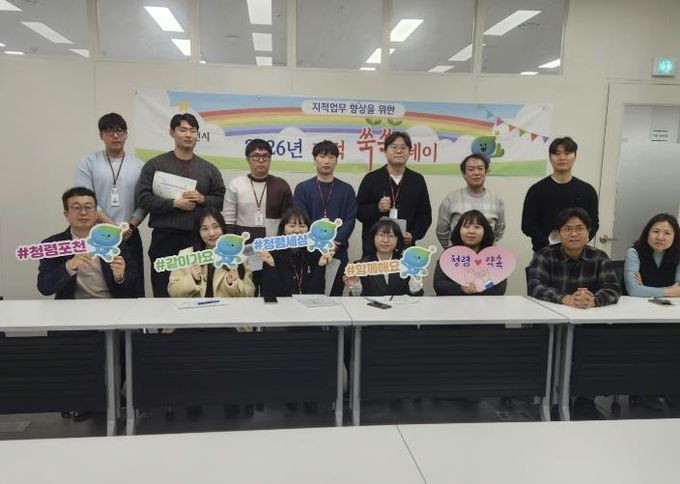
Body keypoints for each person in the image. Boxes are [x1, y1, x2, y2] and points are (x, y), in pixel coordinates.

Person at [137, 113, 226, 297]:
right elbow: (143, 199)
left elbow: (221, 200)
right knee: (162, 288)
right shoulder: (155, 165)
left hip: (198, 241)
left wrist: (203, 199)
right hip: (165, 239)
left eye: (192, 131)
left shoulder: (209, 168)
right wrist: (174, 203)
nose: (188, 135)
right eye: (183, 130)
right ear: (172, 132)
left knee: (198, 288)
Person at [75, 113, 147, 296]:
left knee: (133, 285)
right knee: (99, 285)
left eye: (120, 131)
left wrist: (131, 225)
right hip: (96, 234)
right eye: (109, 131)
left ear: (126, 134)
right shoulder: (89, 162)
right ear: (101, 135)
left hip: (130, 235)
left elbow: (145, 201)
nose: (115, 135)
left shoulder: (140, 166)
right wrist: (114, 228)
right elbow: (86, 198)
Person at [38, 186, 137, 300]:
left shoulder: (113, 240)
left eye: (88, 207)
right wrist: (69, 266)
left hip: (110, 303)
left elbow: (133, 280)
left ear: (96, 213)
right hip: (71, 306)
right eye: (76, 208)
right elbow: (44, 287)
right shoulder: (52, 244)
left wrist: (120, 276)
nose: (83, 212)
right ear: (66, 214)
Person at [223, 138, 293, 294]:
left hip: (273, 251)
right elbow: (228, 220)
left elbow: (287, 222)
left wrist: (281, 249)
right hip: (244, 251)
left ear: (270, 159)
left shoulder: (281, 186)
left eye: (265, 156)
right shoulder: (236, 184)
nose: (261, 160)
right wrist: (231, 250)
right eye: (256, 156)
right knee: (246, 293)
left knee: (272, 293)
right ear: (248, 159)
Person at [293, 140, 357, 296]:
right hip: (309, 251)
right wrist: (318, 242)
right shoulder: (303, 188)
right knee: (307, 295)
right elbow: (301, 220)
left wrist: (335, 243)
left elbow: (350, 220)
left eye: (331, 157)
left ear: (336, 161)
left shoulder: (347, 190)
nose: (326, 161)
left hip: (337, 251)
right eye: (322, 156)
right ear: (315, 159)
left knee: (334, 295)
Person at [356, 131, 432, 257]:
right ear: (385, 151)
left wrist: (413, 234)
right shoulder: (371, 178)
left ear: (410, 152)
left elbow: (425, 215)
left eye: (403, 148)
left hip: (405, 247)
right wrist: (377, 208)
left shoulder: (417, 180)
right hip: (374, 248)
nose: (399, 151)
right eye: (394, 147)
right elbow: (358, 211)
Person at [527, 207, 621, 308]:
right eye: (568, 229)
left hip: (589, 314)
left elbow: (613, 288)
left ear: (588, 233)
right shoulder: (545, 256)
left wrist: (592, 300)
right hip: (553, 313)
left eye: (580, 229)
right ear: (558, 234)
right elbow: (534, 286)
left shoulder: (600, 257)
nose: (574, 234)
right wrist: (566, 298)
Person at [522, 137, 599, 251]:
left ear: (575, 156)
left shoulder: (587, 190)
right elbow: (527, 225)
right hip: (544, 253)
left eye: (567, 153)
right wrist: (548, 242)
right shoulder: (537, 190)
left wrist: (578, 242)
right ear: (550, 157)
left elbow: (594, 224)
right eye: (557, 154)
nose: (562, 158)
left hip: (577, 253)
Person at [168, 207, 255, 298]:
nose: (211, 233)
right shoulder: (185, 255)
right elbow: (173, 292)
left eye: (216, 227)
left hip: (226, 307)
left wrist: (233, 284)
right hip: (195, 307)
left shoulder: (240, 258)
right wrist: (193, 279)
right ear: (198, 232)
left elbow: (250, 294)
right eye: (205, 229)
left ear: (222, 228)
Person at [260, 207, 333, 297]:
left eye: (302, 226)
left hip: (307, 303)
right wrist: (271, 266)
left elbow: (318, 292)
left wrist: (320, 266)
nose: (297, 230)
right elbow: (268, 293)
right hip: (283, 304)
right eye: (292, 226)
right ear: (283, 229)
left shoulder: (315, 253)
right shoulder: (272, 254)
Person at [436, 154, 505, 248]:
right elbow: (441, 231)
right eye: (471, 169)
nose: (476, 173)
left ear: (486, 172)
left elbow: (499, 231)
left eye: (480, 169)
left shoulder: (496, 200)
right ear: (464, 174)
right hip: (458, 254)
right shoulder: (451, 199)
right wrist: (451, 250)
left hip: (486, 254)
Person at [343, 218, 424, 297]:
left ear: (398, 239)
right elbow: (357, 299)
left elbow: (415, 296)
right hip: (370, 306)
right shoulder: (360, 265)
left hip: (401, 306)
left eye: (391, 236)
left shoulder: (408, 264)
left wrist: (416, 282)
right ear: (373, 238)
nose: (385, 240)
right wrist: (355, 285)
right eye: (381, 235)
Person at [434, 210, 507, 295]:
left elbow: (500, 288)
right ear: (459, 230)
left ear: (485, 231)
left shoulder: (493, 257)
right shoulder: (448, 255)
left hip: (485, 302)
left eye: (477, 227)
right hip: (454, 302)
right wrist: (461, 288)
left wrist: (480, 288)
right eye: (467, 226)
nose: (471, 231)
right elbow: (438, 284)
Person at [624, 213, 680, 297]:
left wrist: (644, 289)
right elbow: (633, 290)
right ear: (647, 233)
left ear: (675, 237)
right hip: (637, 303)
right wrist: (671, 291)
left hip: (669, 304)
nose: (660, 237)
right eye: (656, 231)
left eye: (667, 233)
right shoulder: (634, 252)